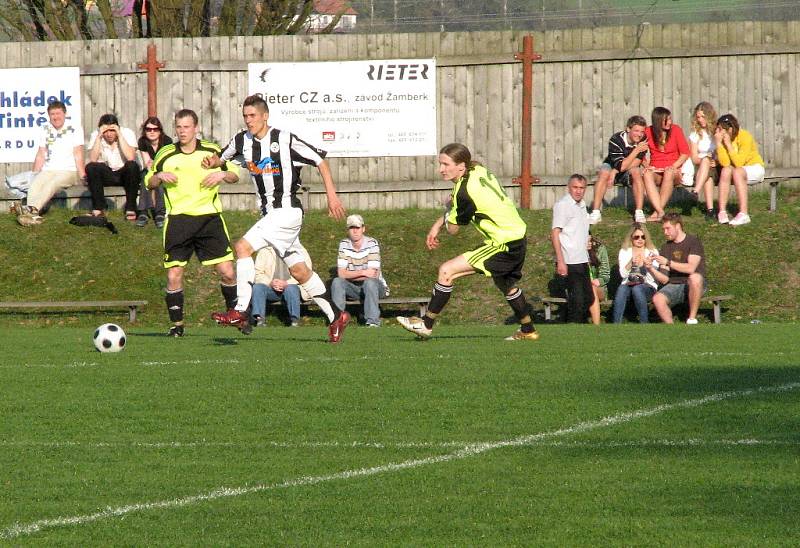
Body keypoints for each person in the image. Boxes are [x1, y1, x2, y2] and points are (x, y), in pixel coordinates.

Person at [208, 94, 350, 343]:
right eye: (245, 116)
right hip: (270, 216)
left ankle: (240, 310)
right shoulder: (241, 140)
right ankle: (336, 316)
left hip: (287, 212)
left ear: (265, 116)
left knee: (242, 247)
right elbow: (220, 159)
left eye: (253, 116)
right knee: (300, 271)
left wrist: (332, 197)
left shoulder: (284, 139)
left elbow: (320, 160)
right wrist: (211, 162)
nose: (249, 120)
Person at [398, 143, 538, 341]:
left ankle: (426, 325)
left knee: (446, 271)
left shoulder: (464, 192)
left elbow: (453, 229)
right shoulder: (478, 170)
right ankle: (528, 330)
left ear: (461, 166)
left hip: (502, 244)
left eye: (446, 164)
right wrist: (437, 225)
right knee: (505, 283)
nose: (441, 169)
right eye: (440, 164)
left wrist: (448, 209)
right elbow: (458, 205)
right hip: (517, 237)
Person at [144, 109, 240, 337]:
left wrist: (222, 175)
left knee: (227, 272)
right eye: (178, 127)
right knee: (173, 275)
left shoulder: (212, 151)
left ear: (196, 128)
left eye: (186, 127)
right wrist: (159, 177)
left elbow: (235, 174)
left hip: (209, 218)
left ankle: (234, 315)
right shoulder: (166, 154)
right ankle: (177, 326)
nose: (182, 131)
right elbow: (149, 181)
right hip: (178, 220)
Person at [16, 101, 85, 227]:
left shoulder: (75, 128)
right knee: (34, 185)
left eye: (58, 113)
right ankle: (32, 216)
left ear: (64, 114)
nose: (55, 117)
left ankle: (30, 211)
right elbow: (41, 154)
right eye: (52, 114)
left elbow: (78, 153)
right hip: (49, 169)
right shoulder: (45, 128)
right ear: (49, 116)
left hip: (68, 170)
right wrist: (34, 174)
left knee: (52, 184)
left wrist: (83, 175)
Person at [645, 213, 706, 324]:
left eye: (668, 228)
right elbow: (664, 279)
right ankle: (671, 328)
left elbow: (691, 268)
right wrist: (650, 269)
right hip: (674, 284)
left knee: (694, 277)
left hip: (693, 284)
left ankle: (692, 319)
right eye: (663, 229)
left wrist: (668, 262)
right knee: (657, 299)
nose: (665, 232)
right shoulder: (666, 247)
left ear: (677, 226)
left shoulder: (693, 241)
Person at [331, 214, 390, 327]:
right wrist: (363, 272)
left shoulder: (372, 243)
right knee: (337, 282)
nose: (355, 231)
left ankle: (373, 322)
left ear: (363, 228)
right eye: (352, 228)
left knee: (370, 282)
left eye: (357, 228)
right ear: (347, 230)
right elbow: (341, 274)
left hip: (376, 288)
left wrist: (350, 275)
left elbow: (373, 275)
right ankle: (337, 321)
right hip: (354, 288)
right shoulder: (343, 244)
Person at [589, 115, 649, 224]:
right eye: (636, 131)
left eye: (642, 131)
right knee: (603, 173)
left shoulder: (644, 139)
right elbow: (620, 165)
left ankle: (639, 212)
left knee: (636, 172)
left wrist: (615, 171)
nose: (639, 134)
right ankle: (596, 212)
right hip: (612, 164)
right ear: (628, 129)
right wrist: (636, 151)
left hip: (627, 168)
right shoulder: (615, 140)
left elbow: (637, 162)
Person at [551, 174, 593, 323]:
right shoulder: (563, 205)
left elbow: (579, 230)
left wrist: (587, 241)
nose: (578, 191)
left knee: (589, 298)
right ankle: (573, 327)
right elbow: (555, 233)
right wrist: (560, 260)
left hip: (582, 259)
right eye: (575, 187)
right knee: (578, 300)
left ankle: (573, 324)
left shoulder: (582, 206)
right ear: (569, 188)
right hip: (569, 259)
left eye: (582, 188)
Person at [85, 113, 140, 220]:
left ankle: (131, 208)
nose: (109, 134)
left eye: (112, 130)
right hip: (107, 173)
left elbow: (131, 157)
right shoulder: (96, 135)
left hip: (125, 174)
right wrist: (98, 137)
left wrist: (119, 135)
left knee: (132, 165)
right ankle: (99, 207)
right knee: (91, 167)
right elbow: (92, 159)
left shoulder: (127, 133)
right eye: (106, 131)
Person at [715, 113, 765, 226]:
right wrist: (718, 144)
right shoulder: (722, 139)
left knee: (737, 171)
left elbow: (739, 163)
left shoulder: (745, 136)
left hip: (754, 168)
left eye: (722, 129)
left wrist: (728, 144)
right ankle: (722, 211)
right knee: (725, 170)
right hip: (738, 171)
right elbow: (725, 163)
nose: (720, 132)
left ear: (731, 129)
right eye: (718, 129)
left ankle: (744, 214)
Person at [643, 107, 690, 222]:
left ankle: (657, 212)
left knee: (669, 172)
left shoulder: (676, 130)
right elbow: (640, 153)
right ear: (658, 121)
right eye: (666, 119)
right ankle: (660, 211)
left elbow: (685, 153)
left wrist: (674, 166)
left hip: (674, 170)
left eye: (670, 119)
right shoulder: (648, 132)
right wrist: (647, 166)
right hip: (656, 169)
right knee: (647, 174)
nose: (670, 122)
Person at [250, 244, 311, 327]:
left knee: (291, 288)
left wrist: (287, 283)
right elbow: (257, 273)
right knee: (257, 287)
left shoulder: (300, 250)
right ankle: (260, 320)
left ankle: (295, 321)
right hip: (271, 288)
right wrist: (270, 282)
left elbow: (306, 272)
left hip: (292, 287)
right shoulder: (265, 251)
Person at [612, 223, 660, 323]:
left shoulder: (652, 251)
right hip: (629, 284)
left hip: (647, 286)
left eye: (643, 237)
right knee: (621, 289)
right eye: (636, 237)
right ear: (631, 238)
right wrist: (630, 263)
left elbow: (655, 278)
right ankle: (615, 324)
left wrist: (647, 265)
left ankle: (644, 323)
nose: (640, 239)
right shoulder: (625, 251)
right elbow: (623, 275)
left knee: (637, 289)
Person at [135, 116, 172, 228]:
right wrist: (152, 165)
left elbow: (166, 162)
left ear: (160, 131)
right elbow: (147, 163)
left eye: (155, 129)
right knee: (144, 176)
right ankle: (143, 212)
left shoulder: (167, 141)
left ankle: (160, 213)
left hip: (165, 169)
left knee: (160, 179)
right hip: (151, 169)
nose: (152, 132)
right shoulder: (142, 141)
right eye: (148, 129)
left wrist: (155, 165)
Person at [688, 102, 718, 221]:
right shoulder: (695, 134)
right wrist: (705, 159)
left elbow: (721, 150)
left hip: (715, 164)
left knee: (709, 169)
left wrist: (716, 161)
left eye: (702, 116)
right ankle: (710, 210)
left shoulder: (716, 131)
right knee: (707, 169)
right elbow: (694, 157)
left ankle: (695, 191)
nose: (700, 120)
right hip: (699, 166)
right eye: (698, 117)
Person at [587, 234, 610, 325]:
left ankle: (596, 324)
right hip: (579, 286)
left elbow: (606, 274)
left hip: (597, 287)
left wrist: (599, 281)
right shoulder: (573, 251)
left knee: (592, 288)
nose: (588, 243)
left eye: (589, 239)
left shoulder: (599, 249)